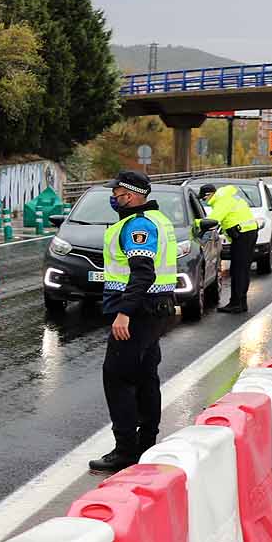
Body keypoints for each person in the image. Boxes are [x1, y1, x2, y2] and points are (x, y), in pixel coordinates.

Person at [90, 170, 179, 473]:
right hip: (156, 308)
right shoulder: (157, 220)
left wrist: (125, 312)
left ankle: (126, 450)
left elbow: (143, 272)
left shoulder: (137, 225)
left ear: (129, 195)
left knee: (118, 378)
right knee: (145, 376)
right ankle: (146, 444)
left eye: (116, 193)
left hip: (138, 311)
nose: (113, 198)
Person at [199, 182, 258, 313]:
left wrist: (196, 224)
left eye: (204, 199)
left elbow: (212, 220)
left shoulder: (222, 200)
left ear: (209, 195)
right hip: (246, 234)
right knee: (242, 269)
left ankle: (236, 303)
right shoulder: (226, 196)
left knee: (238, 270)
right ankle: (241, 303)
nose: (205, 202)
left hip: (244, 235)